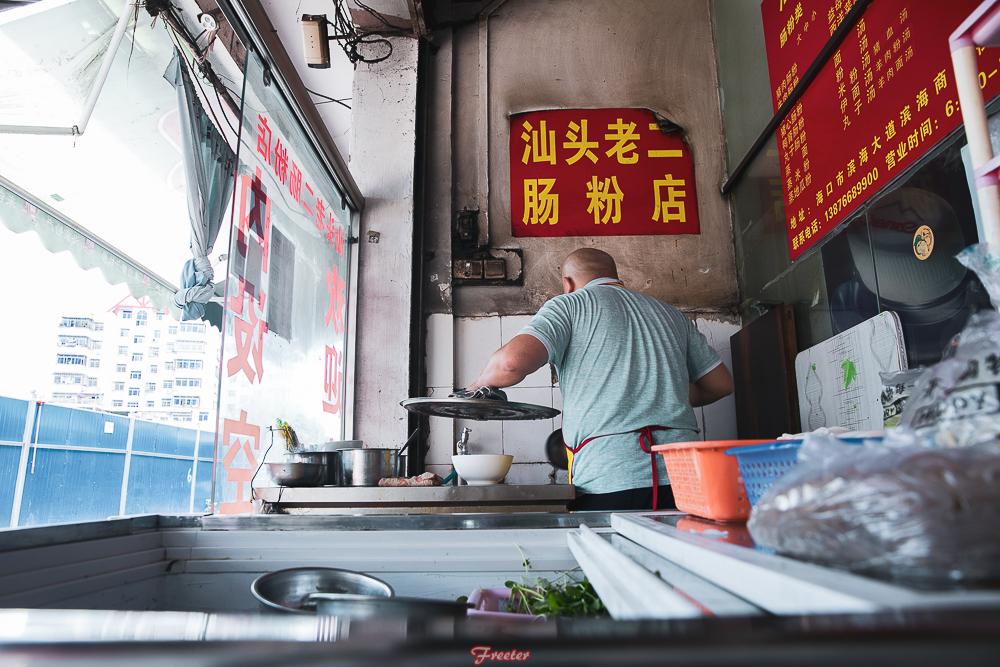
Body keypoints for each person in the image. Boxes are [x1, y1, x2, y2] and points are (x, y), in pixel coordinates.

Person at [469, 248, 734, 511]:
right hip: (685, 478)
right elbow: (720, 384)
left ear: (568, 283)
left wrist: (478, 385)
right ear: (614, 276)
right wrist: (661, 389)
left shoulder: (569, 305)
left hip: (610, 479)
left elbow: (510, 363)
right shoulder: (671, 314)